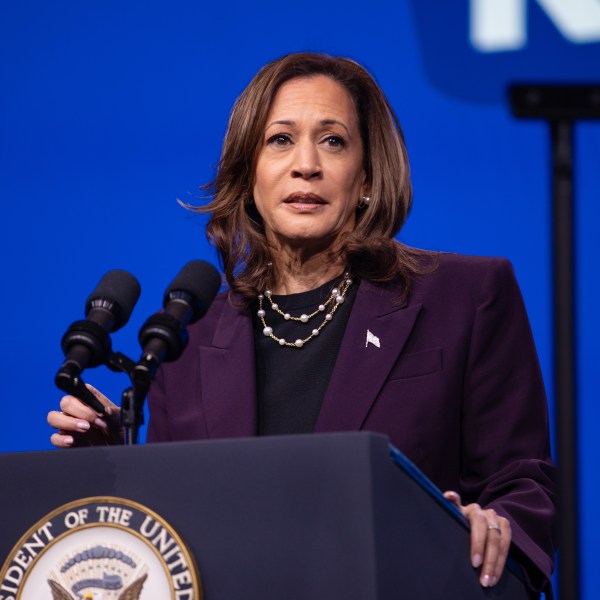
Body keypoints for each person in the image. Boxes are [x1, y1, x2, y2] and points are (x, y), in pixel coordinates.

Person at [48, 52, 556, 596]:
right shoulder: (186, 340)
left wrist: (494, 526)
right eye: (280, 140)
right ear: (248, 176)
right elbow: (175, 534)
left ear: (366, 177)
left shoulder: (464, 295)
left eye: (333, 140)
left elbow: (525, 486)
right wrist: (108, 469)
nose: (306, 164)